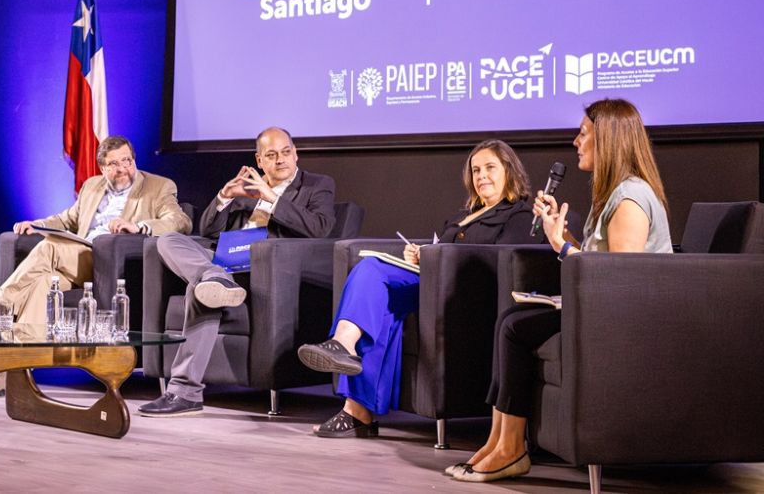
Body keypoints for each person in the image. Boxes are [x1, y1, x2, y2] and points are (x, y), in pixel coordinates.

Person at [451, 99, 672, 483]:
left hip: (629, 321)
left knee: (516, 328)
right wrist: (563, 233)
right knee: (510, 319)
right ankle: (498, 440)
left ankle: (512, 448)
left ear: (608, 139)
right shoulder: (613, 194)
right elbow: (599, 261)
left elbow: (621, 280)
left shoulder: (630, 199)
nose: (575, 142)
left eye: (583, 134)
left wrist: (563, 247)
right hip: (602, 309)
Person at [297, 139, 545, 437]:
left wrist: (438, 256)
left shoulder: (519, 215)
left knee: (373, 275)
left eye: (489, 168)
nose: (481, 176)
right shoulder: (464, 214)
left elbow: (504, 261)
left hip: (463, 292)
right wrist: (422, 253)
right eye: (476, 170)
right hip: (430, 282)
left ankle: (344, 354)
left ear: (509, 171)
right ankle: (354, 398)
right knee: (372, 284)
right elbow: (443, 246)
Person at [138, 126, 336, 417]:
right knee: (167, 240)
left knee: (200, 290)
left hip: (265, 269)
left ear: (295, 154)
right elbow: (208, 230)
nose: (280, 159)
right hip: (224, 263)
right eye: (272, 155)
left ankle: (184, 393)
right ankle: (214, 278)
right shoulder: (247, 188)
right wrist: (225, 196)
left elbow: (320, 228)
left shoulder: (317, 185)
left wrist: (272, 199)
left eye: (286, 152)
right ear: (259, 160)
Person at [0, 135, 191, 396]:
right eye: (114, 164)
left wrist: (139, 226)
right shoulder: (92, 186)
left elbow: (180, 221)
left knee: (48, 247)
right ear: (102, 167)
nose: (123, 168)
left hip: (109, 263)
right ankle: (13, 372)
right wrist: (37, 225)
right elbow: (67, 219)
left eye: (127, 160)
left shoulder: (158, 187)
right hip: (77, 258)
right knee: (40, 284)